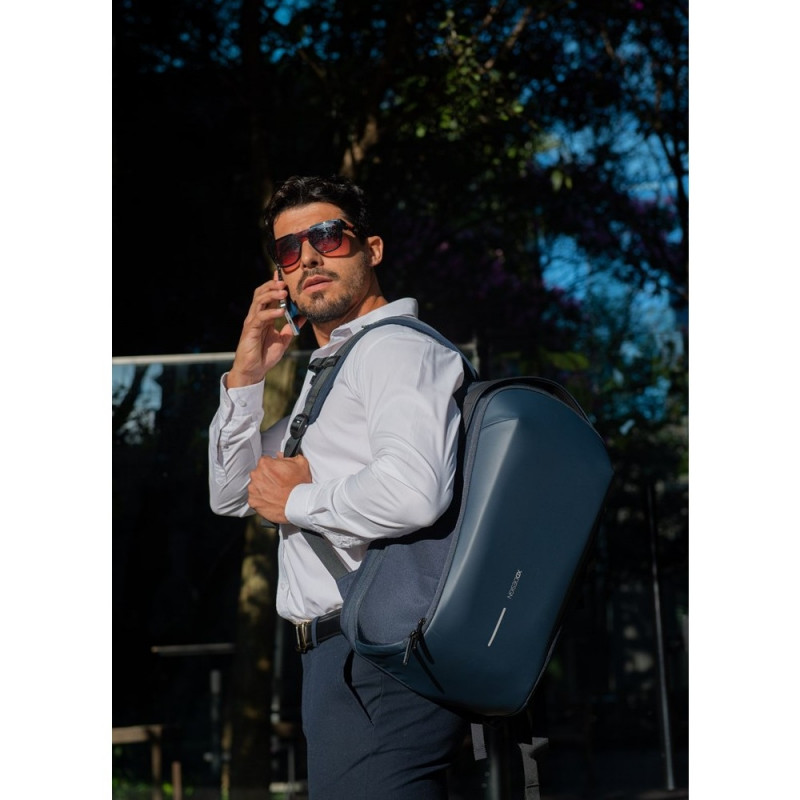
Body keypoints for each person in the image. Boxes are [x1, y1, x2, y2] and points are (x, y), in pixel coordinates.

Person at [208, 175, 468, 798]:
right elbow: (232, 492)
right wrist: (246, 375)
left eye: (327, 236)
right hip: (346, 658)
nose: (308, 257)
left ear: (371, 249)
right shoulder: (337, 367)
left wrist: (298, 500)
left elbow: (414, 489)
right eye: (289, 249)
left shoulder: (392, 351)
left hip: (376, 658)